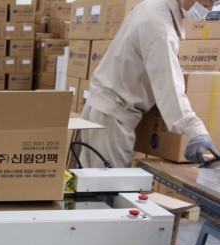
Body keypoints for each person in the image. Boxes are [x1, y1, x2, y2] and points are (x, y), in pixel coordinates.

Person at [79, 0, 220, 168]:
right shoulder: (161, 28)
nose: (209, 8)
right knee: (109, 182)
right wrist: (196, 132)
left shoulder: (150, 6)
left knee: (88, 180)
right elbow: (170, 90)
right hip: (113, 118)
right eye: (207, 1)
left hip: (100, 108)